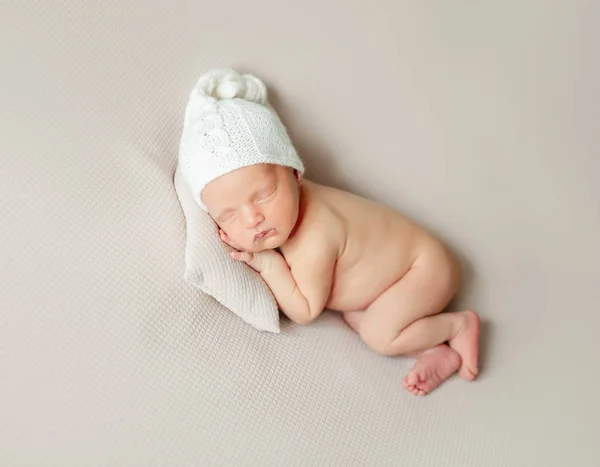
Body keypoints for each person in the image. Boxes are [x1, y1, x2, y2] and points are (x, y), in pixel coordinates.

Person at [179, 68, 480, 395]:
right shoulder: (287, 214)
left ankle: (458, 324)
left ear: (296, 175)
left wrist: (267, 263)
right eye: (229, 215)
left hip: (423, 269)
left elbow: (306, 309)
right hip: (390, 283)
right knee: (357, 318)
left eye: (264, 195)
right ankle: (434, 350)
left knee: (378, 335)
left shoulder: (315, 235)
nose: (253, 219)